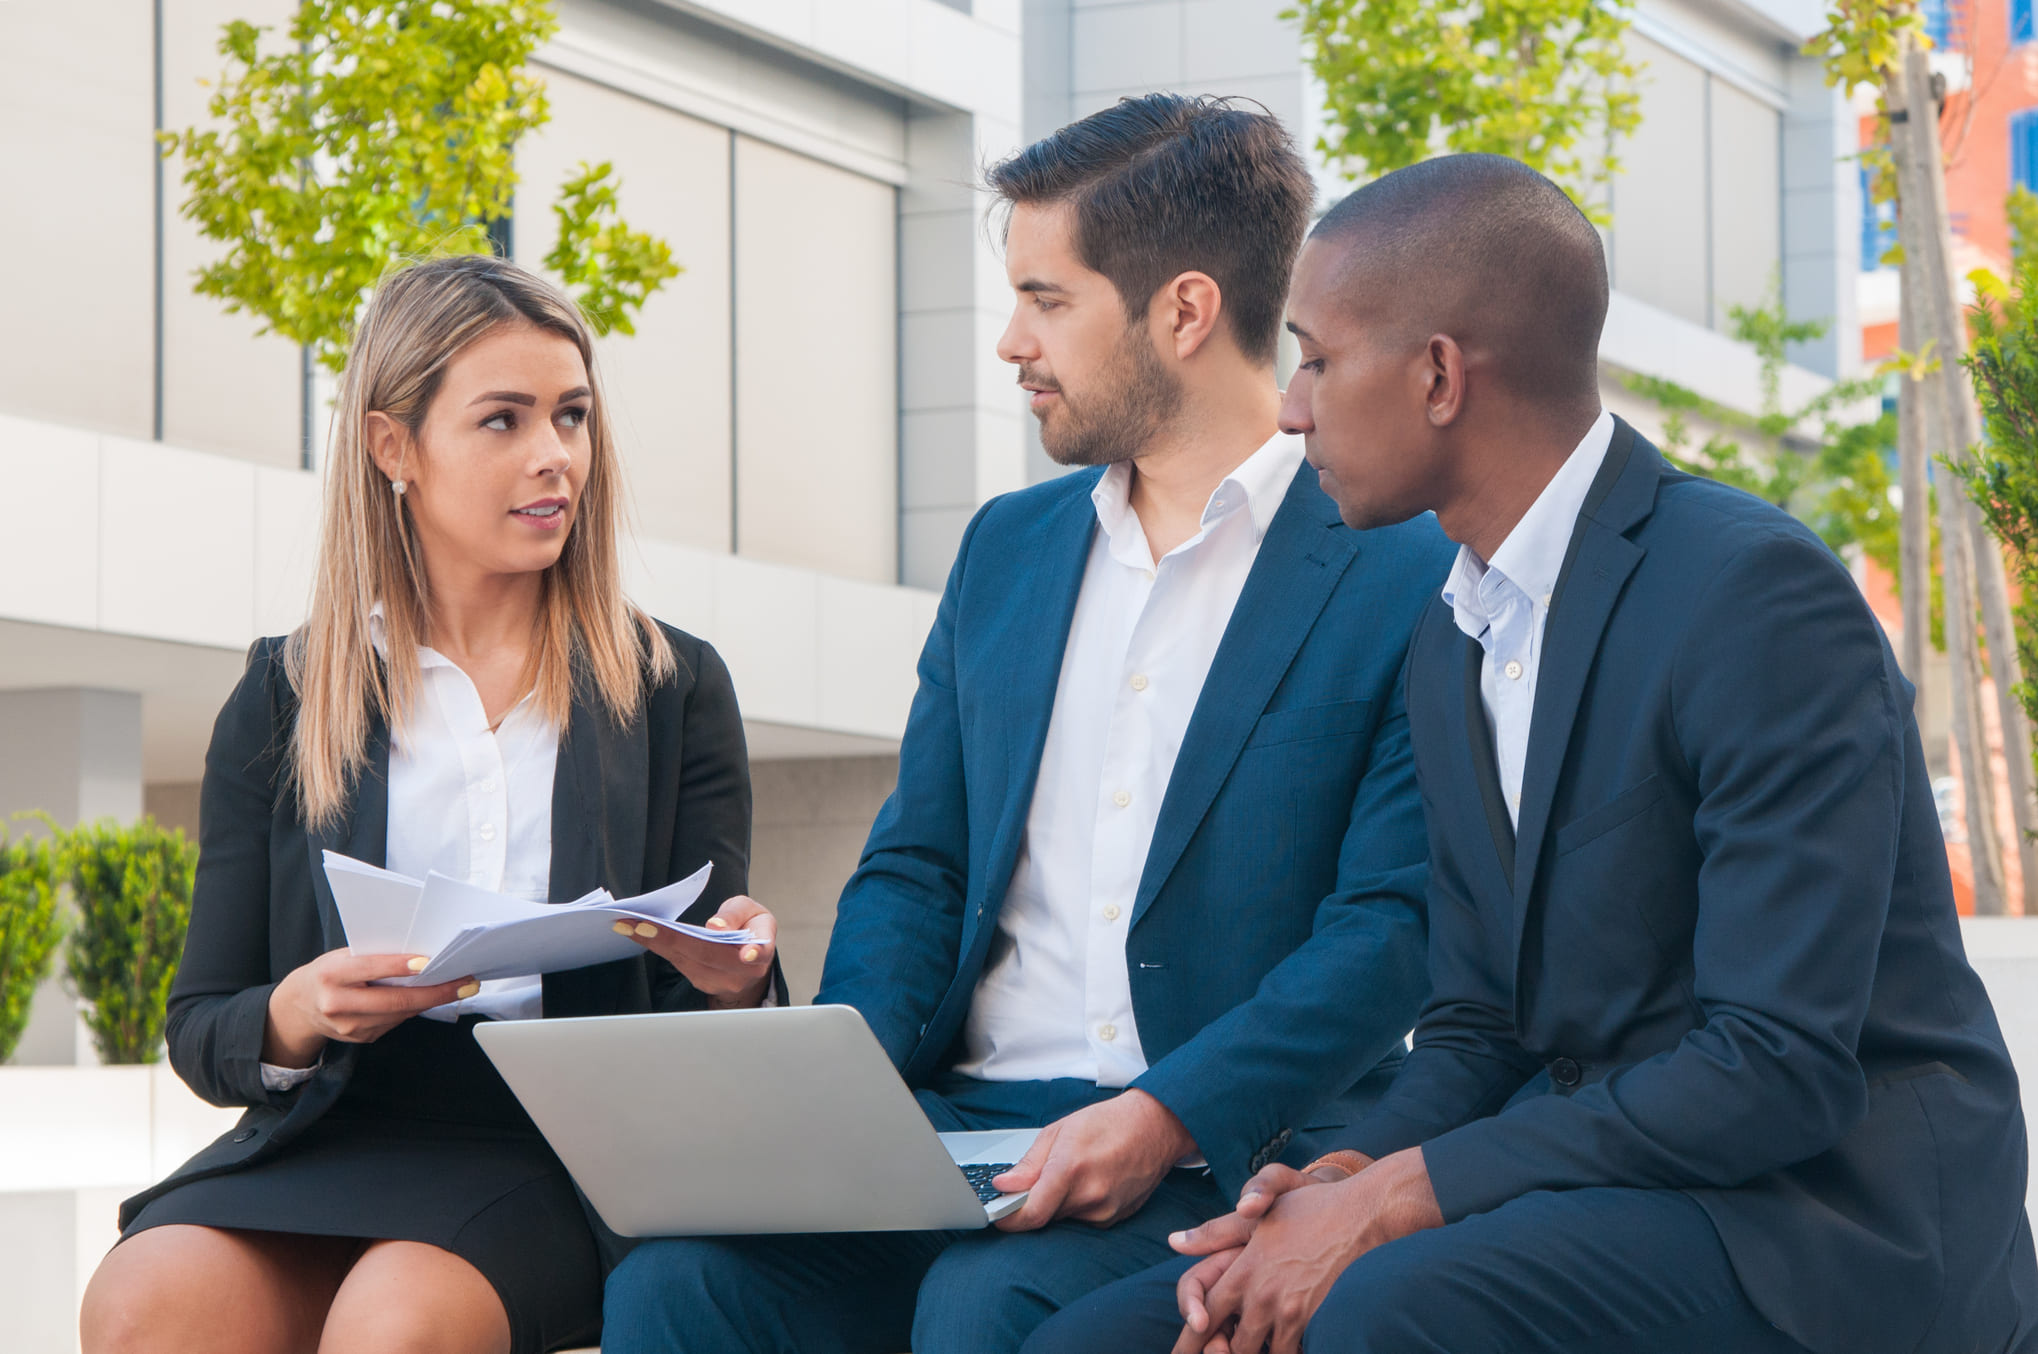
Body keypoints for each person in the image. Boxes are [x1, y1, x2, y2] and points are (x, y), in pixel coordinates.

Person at [1025, 153, 2038, 1354]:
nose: (1291, 409)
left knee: (1379, 1312)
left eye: (1315, 358)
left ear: (1440, 375)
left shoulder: (1751, 596)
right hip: (1593, 1192)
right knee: (1109, 1338)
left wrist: (1400, 1198)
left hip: (1817, 1225)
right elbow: (1478, 1024)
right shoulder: (1455, 630)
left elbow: (1772, 1065)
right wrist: (1350, 1170)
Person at [601, 94, 1454, 1354]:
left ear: (1183, 309)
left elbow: (1391, 927)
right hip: (960, 1125)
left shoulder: (1396, 568)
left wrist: (1166, 1113)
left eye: (1047, 300)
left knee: (980, 1308)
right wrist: (843, 1089)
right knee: (675, 1285)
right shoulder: (1006, 551)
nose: (1011, 342)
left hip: (1224, 1139)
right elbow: (919, 863)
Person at [78, 254, 784, 1354]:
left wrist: (736, 983)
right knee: (140, 1303)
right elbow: (203, 1022)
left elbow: (717, 1002)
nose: (554, 456)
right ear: (391, 446)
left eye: (571, 416)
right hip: (335, 1127)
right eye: (502, 420)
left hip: (556, 1145)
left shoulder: (670, 687)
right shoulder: (287, 693)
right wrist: (300, 1012)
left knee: (395, 1321)